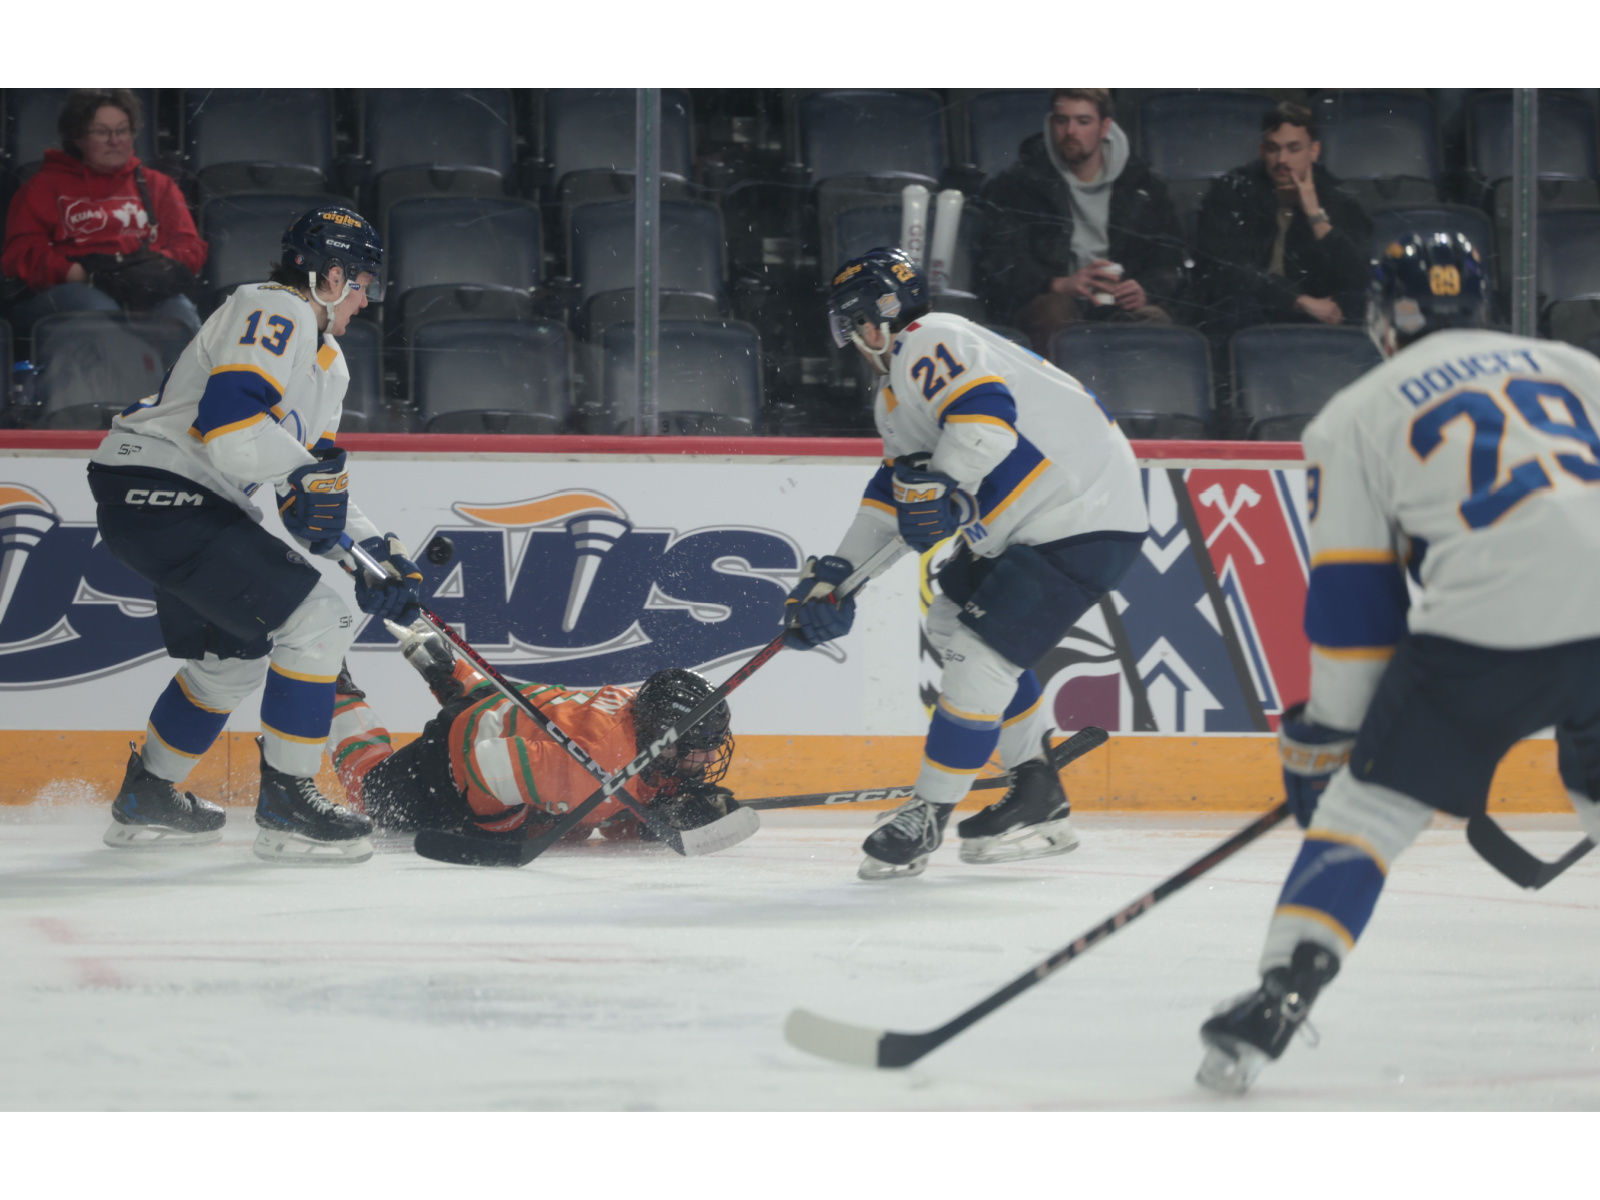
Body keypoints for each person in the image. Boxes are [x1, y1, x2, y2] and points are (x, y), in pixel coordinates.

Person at [1196, 231, 1600, 1094]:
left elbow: (1354, 611)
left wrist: (1333, 744)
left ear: (1383, 320)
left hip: (1493, 627)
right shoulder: (1571, 364)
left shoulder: (1354, 414)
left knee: (1369, 810)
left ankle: (1282, 994)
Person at [786, 247, 1148, 880]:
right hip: (1040, 524)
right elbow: (895, 501)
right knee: (952, 619)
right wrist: (836, 578)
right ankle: (1037, 790)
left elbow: (986, 426)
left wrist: (949, 490)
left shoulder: (929, 339)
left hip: (1080, 516)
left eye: (859, 319)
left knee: (981, 651)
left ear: (881, 318)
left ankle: (929, 813)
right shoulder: (898, 390)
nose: (858, 336)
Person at [86, 205, 420, 865]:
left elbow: (305, 495)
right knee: (318, 621)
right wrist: (309, 485)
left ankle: (146, 797)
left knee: (230, 663)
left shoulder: (329, 365)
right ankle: (289, 802)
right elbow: (235, 436)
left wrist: (378, 555)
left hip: (167, 502)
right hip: (168, 494)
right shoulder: (276, 307)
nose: (365, 299)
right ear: (328, 275)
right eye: (361, 283)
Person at [327, 619, 742, 846]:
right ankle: (332, 688)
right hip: (462, 751)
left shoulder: (645, 711)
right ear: (661, 742)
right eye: (699, 748)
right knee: (367, 792)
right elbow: (488, 764)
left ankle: (446, 670)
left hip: (516, 705)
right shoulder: (591, 763)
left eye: (712, 745)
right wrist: (498, 830)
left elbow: (614, 812)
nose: (708, 759)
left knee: (570, 823)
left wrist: (664, 817)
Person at [976, 88, 1185, 354]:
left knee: (1153, 318)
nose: (1071, 131)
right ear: (1052, 123)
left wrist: (1146, 289)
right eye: (1063, 121)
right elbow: (999, 260)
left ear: (1104, 127)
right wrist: (1058, 283)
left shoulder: (1144, 184)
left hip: (1119, 303)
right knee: (1054, 309)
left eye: (1083, 121)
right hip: (1055, 300)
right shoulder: (1018, 183)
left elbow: (1170, 261)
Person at [3, 89, 207, 337]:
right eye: (102, 132)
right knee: (99, 311)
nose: (115, 140)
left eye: (122, 130)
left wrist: (147, 270)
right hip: (73, 289)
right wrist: (76, 273)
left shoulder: (159, 185)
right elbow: (20, 253)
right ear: (77, 137)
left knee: (179, 312)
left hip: (143, 289)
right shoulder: (43, 186)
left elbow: (190, 247)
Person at [1193, 101, 1371, 340]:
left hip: (1317, 310)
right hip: (1258, 308)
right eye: (1273, 148)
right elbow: (1225, 266)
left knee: (1356, 305)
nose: (1282, 160)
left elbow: (1357, 277)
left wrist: (1315, 215)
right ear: (1262, 151)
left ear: (1314, 150)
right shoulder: (1234, 189)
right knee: (1230, 306)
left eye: (1294, 148)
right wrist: (1296, 300)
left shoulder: (1338, 197)